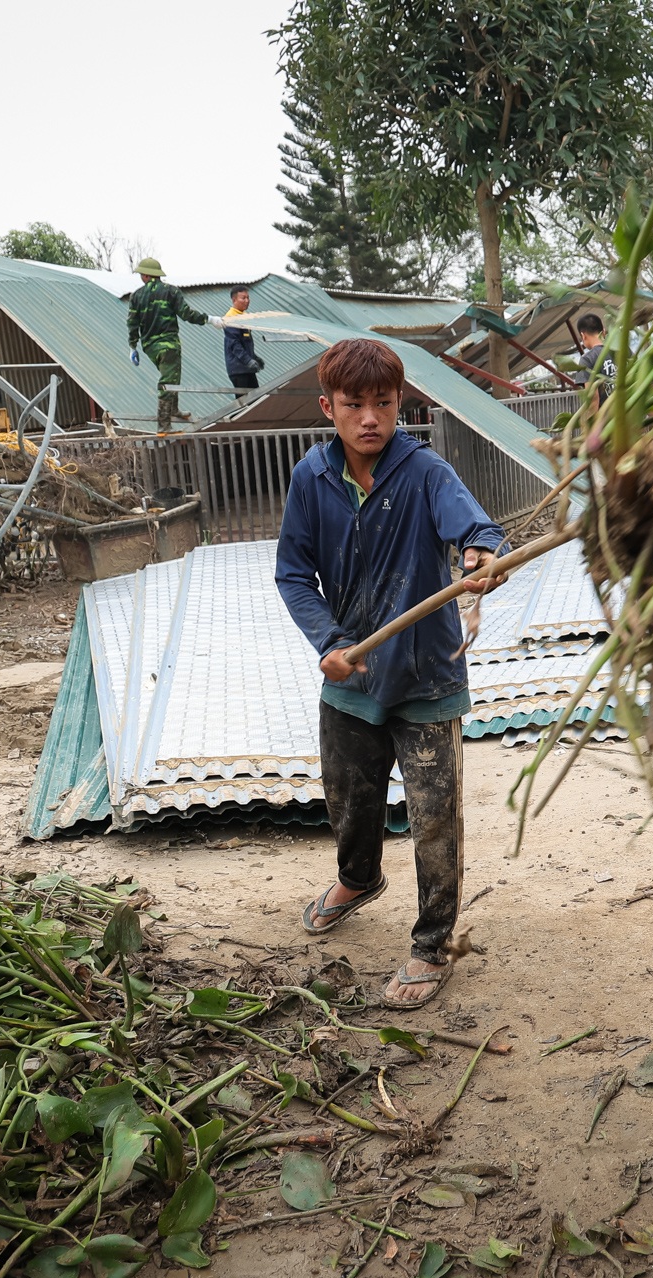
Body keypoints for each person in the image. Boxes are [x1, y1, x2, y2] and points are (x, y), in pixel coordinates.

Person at [276, 338, 509, 1010]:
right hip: (349, 676)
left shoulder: (425, 472)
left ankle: (432, 945)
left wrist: (479, 557)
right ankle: (358, 878)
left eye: (383, 403)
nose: (371, 417)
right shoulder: (310, 480)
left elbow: (476, 528)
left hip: (426, 677)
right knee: (350, 800)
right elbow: (293, 572)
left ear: (399, 403)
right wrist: (328, 640)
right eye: (355, 405)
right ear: (330, 407)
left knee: (435, 818)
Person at [126, 257, 208, 431]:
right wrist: (207, 319)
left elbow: (132, 323)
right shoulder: (171, 291)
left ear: (146, 275)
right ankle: (163, 425)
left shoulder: (136, 296)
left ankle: (173, 409)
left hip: (150, 347)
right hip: (169, 345)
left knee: (171, 375)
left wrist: (133, 346)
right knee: (168, 380)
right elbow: (186, 314)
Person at [225, 286, 264, 396]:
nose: (247, 301)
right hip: (238, 369)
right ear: (234, 300)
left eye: (248, 298)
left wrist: (254, 357)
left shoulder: (244, 317)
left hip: (247, 369)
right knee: (243, 402)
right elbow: (235, 345)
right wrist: (248, 361)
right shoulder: (231, 318)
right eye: (243, 298)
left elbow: (245, 343)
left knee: (256, 399)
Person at [576, 313, 615, 403]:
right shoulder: (621, 351)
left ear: (583, 335)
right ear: (604, 332)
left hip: (608, 416)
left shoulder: (587, 359)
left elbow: (593, 398)